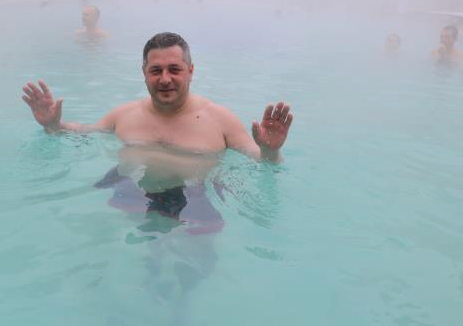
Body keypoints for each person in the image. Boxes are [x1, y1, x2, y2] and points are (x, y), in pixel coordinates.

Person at [22, 32, 293, 232]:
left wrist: (271, 150)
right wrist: (53, 126)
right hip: (131, 191)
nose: (165, 79)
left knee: (193, 268)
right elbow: (86, 133)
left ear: (190, 71)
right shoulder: (124, 115)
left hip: (195, 200)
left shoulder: (220, 120)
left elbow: (263, 164)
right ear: (144, 72)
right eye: (156, 71)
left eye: (174, 69)